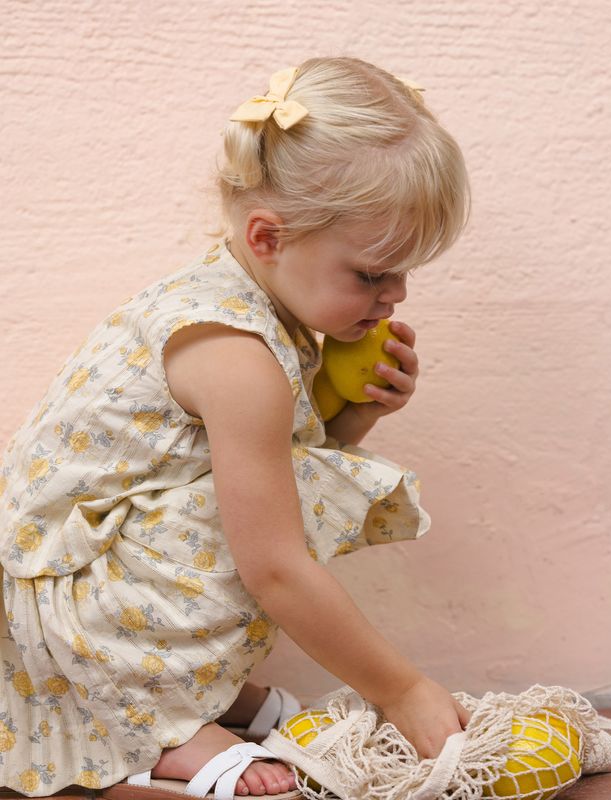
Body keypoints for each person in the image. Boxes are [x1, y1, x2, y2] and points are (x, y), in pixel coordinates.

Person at [0, 56, 472, 799]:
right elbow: (275, 567)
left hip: (78, 583)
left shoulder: (247, 296)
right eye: (372, 274)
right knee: (272, 524)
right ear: (267, 237)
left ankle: (191, 692)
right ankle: (158, 724)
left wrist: (359, 411)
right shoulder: (237, 357)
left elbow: (289, 465)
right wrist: (401, 689)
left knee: (287, 484)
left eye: (405, 273)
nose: (396, 295)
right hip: (62, 616)